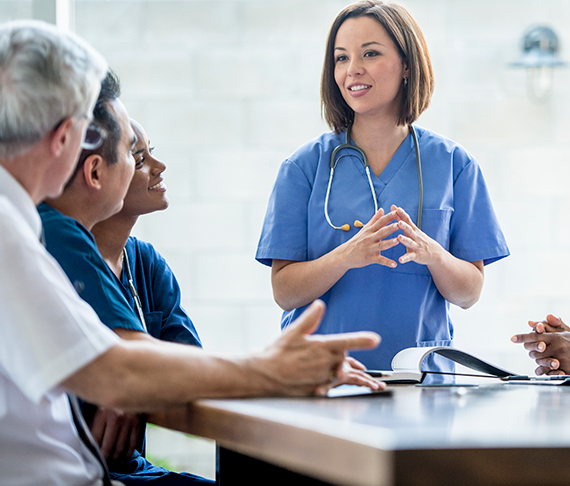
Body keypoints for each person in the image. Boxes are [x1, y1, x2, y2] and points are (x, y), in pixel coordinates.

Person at [0, 19, 383, 486]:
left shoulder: (36, 228)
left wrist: (132, 377)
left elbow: (118, 364)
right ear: (64, 139)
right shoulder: (17, 230)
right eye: (88, 133)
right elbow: (113, 370)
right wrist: (273, 369)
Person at [255, 0, 510, 375]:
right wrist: (346, 255)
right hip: (322, 378)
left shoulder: (454, 164)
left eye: (370, 53)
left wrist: (433, 255)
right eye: (341, 58)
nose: (352, 70)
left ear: (407, 64)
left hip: (420, 378)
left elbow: (469, 293)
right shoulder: (303, 167)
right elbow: (285, 292)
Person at [39, 72, 207, 485]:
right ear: (95, 172)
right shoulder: (53, 236)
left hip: (128, 468)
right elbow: (137, 366)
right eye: (136, 154)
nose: (157, 166)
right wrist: (132, 374)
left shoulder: (145, 262)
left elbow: (189, 362)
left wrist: (135, 380)